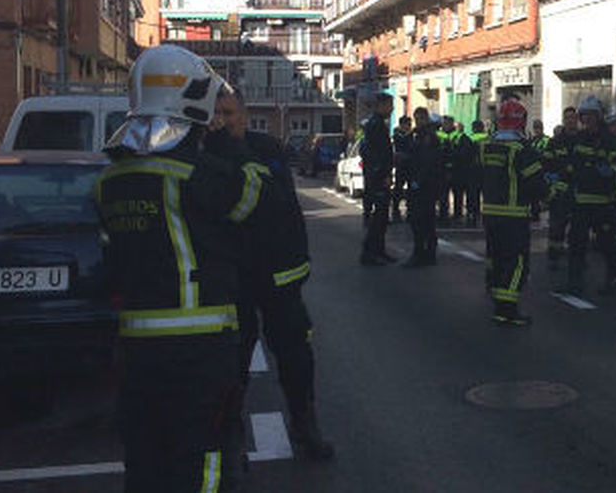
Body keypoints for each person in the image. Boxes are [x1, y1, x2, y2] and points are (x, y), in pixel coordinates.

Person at [94, 45, 261, 492]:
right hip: (199, 344)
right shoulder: (197, 174)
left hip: (136, 347)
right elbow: (249, 200)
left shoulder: (110, 180)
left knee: (145, 456)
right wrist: (227, 143)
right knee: (204, 455)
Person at [207, 88, 333, 465]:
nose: (223, 120)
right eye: (216, 113)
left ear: (244, 115)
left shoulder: (265, 148)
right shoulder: (205, 154)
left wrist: (298, 263)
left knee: (297, 356)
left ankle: (304, 423)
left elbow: (282, 206)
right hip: (233, 278)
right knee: (232, 362)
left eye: (229, 112)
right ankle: (231, 436)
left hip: (279, 275)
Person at [478, 99, 547, 326]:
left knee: (496, 258)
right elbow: (535, 183)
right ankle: (507, 309)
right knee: (516, 262)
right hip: (514, 214)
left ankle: (497, 298)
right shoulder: (522, 150)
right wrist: (548, 196)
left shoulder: (486, 146)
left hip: (490, 213)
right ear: (521, 121)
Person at [556, 96, 616, 296]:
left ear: (599, 116)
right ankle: (574, 282)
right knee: (576, 243)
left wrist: (609, 174)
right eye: (584, 116)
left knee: (606, 243)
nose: (587, 119)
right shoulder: (579, 139)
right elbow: (571, 166)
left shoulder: (609, 140)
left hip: (604, 202)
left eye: (591, 115)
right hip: (581, 201)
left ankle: (613, 278)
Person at [359, 92, 396, 266]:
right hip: (378, 177)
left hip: (378, 176)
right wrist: (383, 175)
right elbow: (375, 154)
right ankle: (370, 253)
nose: (392, 109)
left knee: (382, 217)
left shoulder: (378, 123)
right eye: (390, 105)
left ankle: (379, 251)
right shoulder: (375, 125)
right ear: (381, 106)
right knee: (379, 217)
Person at [403, 108, 443, 268]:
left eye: (421, 119)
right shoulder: (417, 135)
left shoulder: (429, 137)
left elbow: (428, 162)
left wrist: (418, 181)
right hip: (420, 183)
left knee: (421, 220)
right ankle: (427, 253)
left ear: (426, 119)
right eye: (416, 119)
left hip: (425, 185)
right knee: (423, 220)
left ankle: (422, 253)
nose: (418, 122)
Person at [544, 107, 580, 270]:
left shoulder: (583, 140)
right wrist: (550, 181)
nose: (570, 121)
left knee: (578, 228)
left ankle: (577, 259)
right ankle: (554, 257)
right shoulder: (555, 141)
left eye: (573, 118)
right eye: (567, 118)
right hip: (560, 192)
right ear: (564, 120)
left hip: (579, 191)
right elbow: (546, 164)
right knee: (557, 227)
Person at [465, 119, 490, 227]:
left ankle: (473, 214)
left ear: (474, 128)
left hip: (473, 170)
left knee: (473, 194)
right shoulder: (488, 138)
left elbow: (466, 155)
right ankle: (486, 215)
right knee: (486, 194)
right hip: (486, 169)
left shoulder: (469, 138)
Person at [391, 116, 414, 223]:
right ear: (401, 125)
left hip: (411, 166)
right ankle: (395, 211)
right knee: (398, 189)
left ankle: (410, 211)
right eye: (406, 124)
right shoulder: (397, 135)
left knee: (411, 190)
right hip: (401, 165)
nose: (408, 126)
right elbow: (400, 146)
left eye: (409, 124)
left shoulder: (412, 135)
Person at [437, 116, 458, 221]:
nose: (446, 125)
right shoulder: (438, 135)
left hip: (455, 169)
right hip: (441, 169)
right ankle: (443, 215)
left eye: (448, 123)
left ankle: (457, 215)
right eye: (444, 123)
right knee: (443, 194)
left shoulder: (457, 135)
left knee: (457, 193)